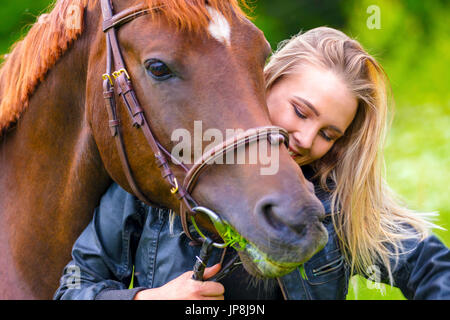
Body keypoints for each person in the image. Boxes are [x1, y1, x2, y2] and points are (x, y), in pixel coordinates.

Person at [54, 27, 450, 300]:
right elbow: (74, 286)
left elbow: (433, 269)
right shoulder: (167, 170)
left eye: (329, 133)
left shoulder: (334, 202)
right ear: (264, 80)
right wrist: (148, 297)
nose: (307, 140)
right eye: (300, 111)